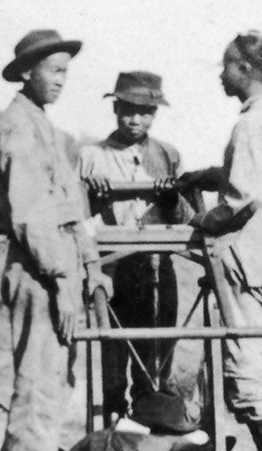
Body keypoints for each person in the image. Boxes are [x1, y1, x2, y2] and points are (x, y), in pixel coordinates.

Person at [0, 29, 110, 451]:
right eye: (53, 71)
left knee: (55, 382)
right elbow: (32, 217)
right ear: (27, 72)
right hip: (39, 271)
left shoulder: (47, 131)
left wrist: (91, 268)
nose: (60, 81)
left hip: (58, 268)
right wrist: (62, 283)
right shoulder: (18, 129)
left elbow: (73, 209)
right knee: (38, 381)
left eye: (65, 73)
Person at [180, 31, 262, 451]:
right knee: (245, 356)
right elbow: (249, 176)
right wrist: (202, 177)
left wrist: (201, 219)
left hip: (246, 262)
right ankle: (213, 442)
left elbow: (241, 198)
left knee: (244, 366)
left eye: (225, 66)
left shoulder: (248, 124)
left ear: (245, 70)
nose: (220, 74)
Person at [78, 71, 194, 419]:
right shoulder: (91, 156)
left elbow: (187, 216)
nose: (136, 119)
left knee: (156, 354)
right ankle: (113, 425)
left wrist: (171, 197)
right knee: (114, 353)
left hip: (157, 266)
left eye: (145, 112)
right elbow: (77, 217)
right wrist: (95, 198)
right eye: (129, 109)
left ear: (155, 114)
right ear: (116, 108)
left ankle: (151, 425)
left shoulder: (168, 155)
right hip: (112, 267)